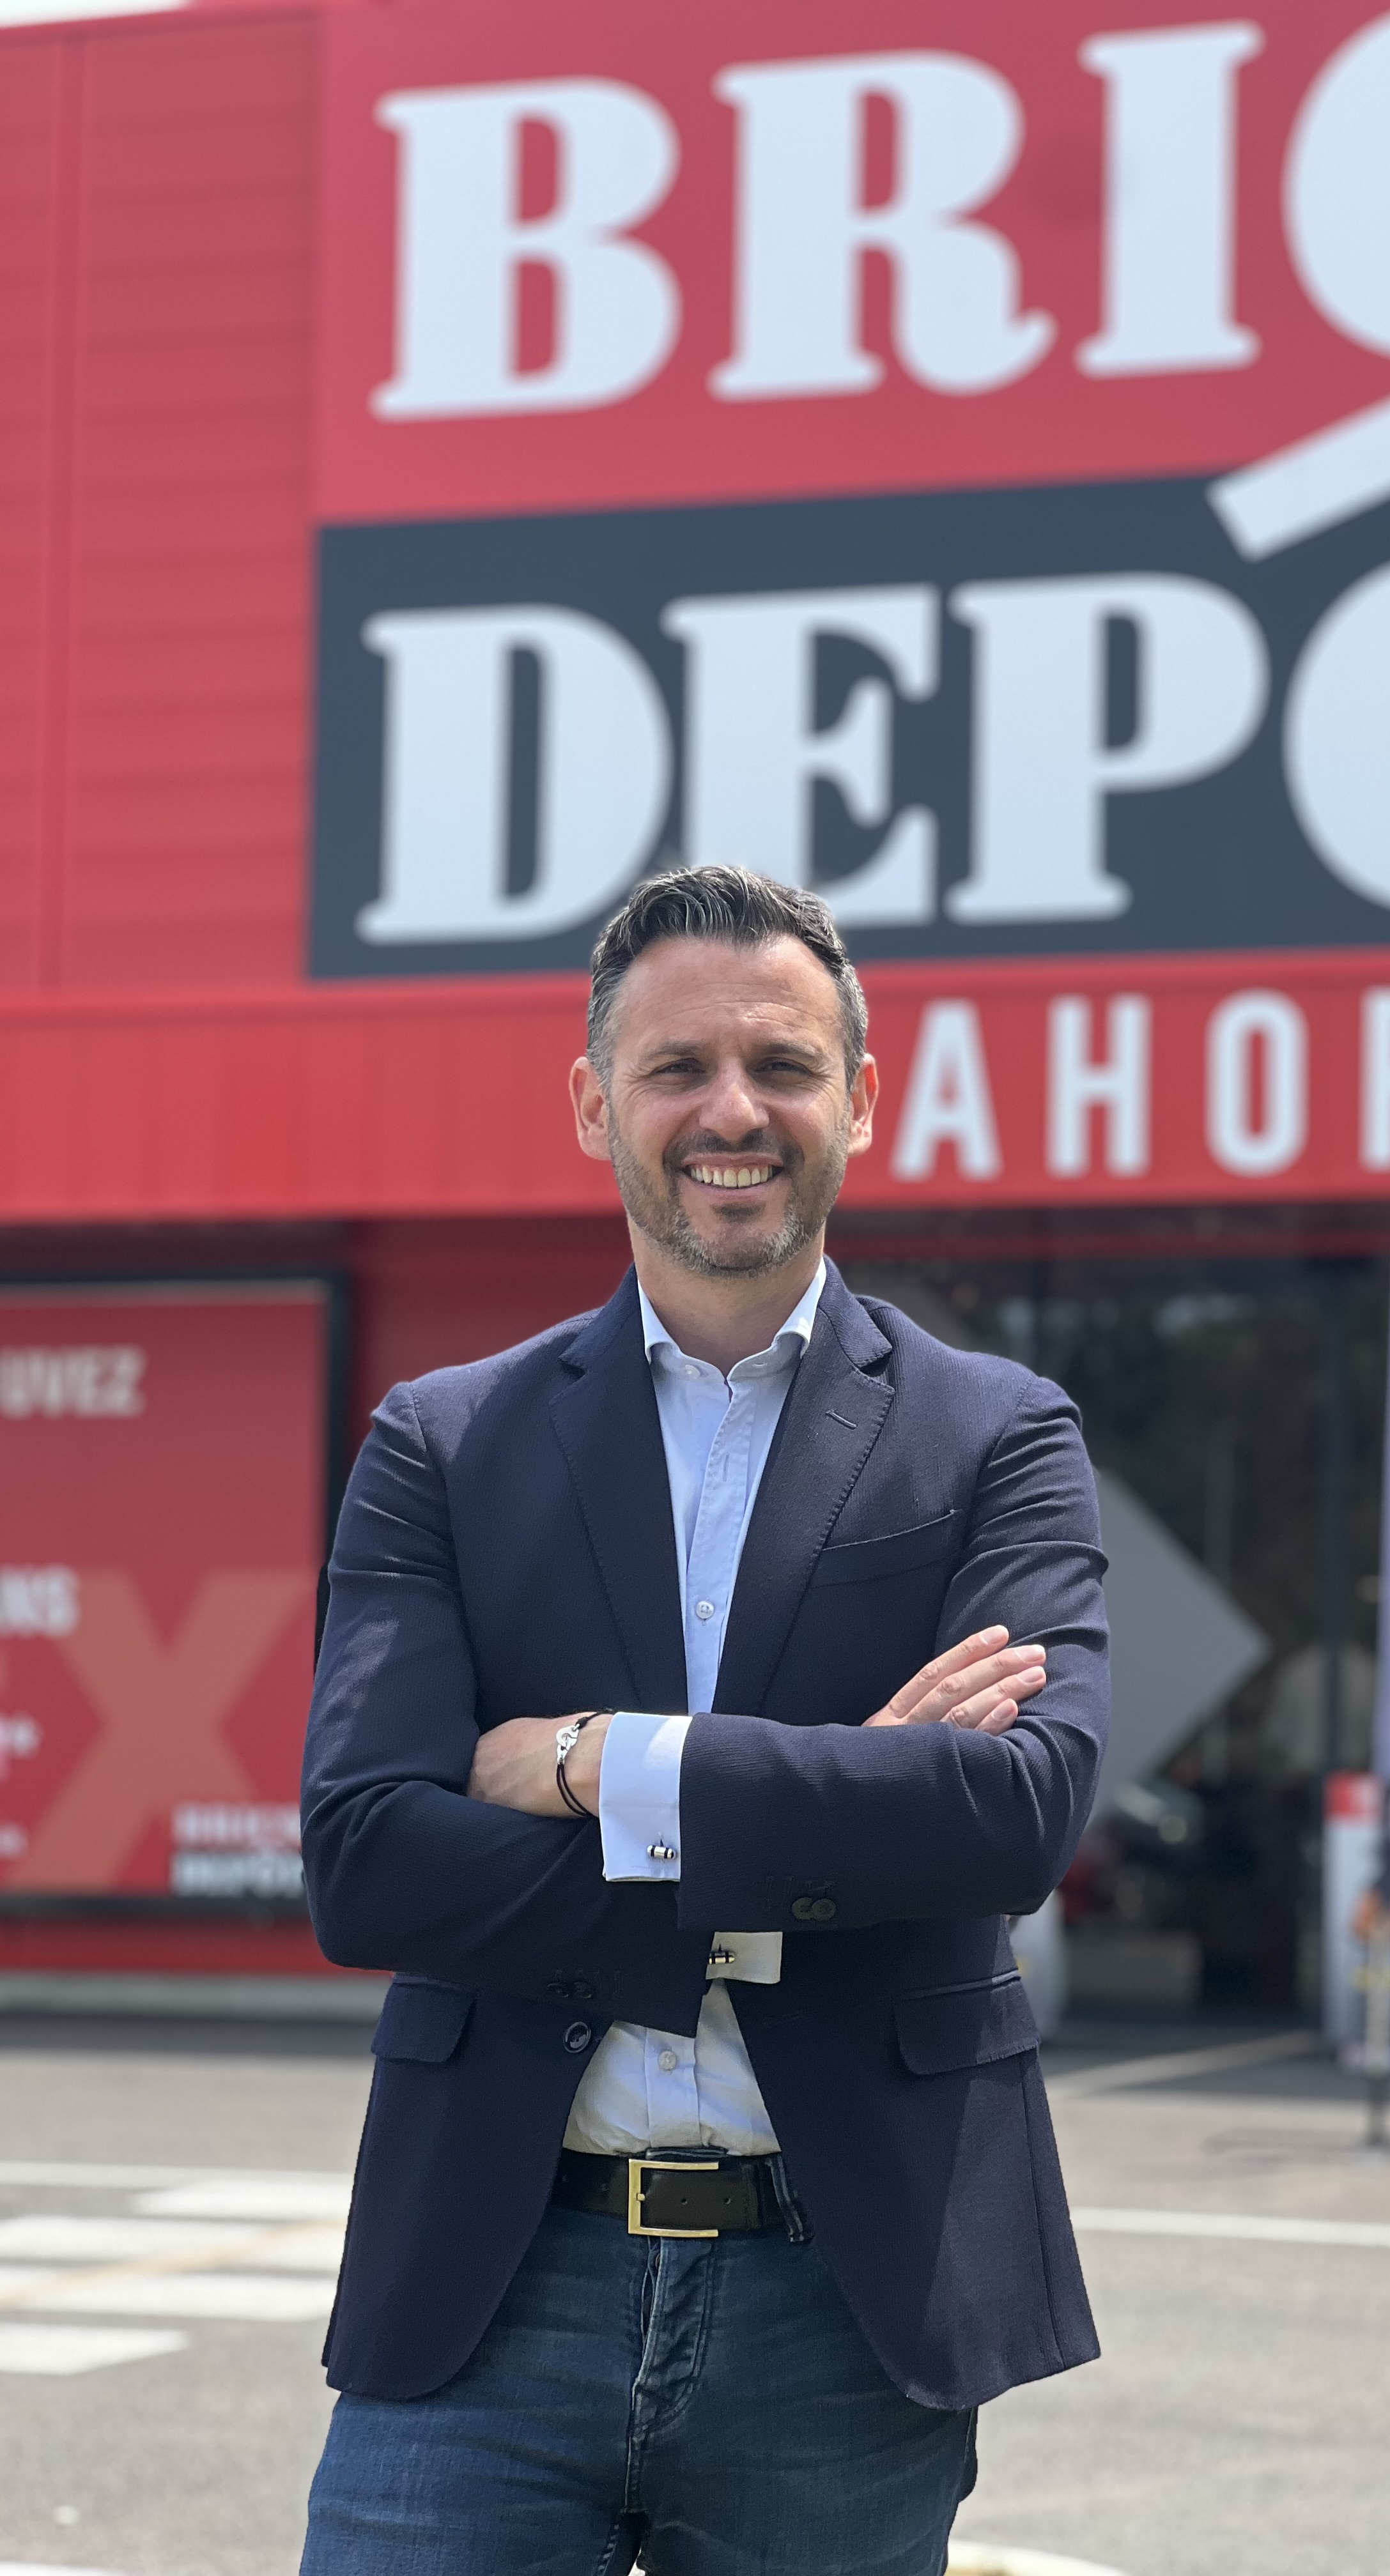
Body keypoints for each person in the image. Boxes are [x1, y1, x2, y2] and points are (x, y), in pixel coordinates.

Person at [299, 865, 1109, 2576]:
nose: (732, 1112)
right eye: (677, 1067)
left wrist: (602, 1760)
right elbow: (368, 1860)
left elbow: (1017, 1814)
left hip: (842, 2305)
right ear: (596, 1104)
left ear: (861, 1101)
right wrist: (835, 1815)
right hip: (493, 2285)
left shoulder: (999, 1436)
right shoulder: (443, 1444)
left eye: (783, 1066)